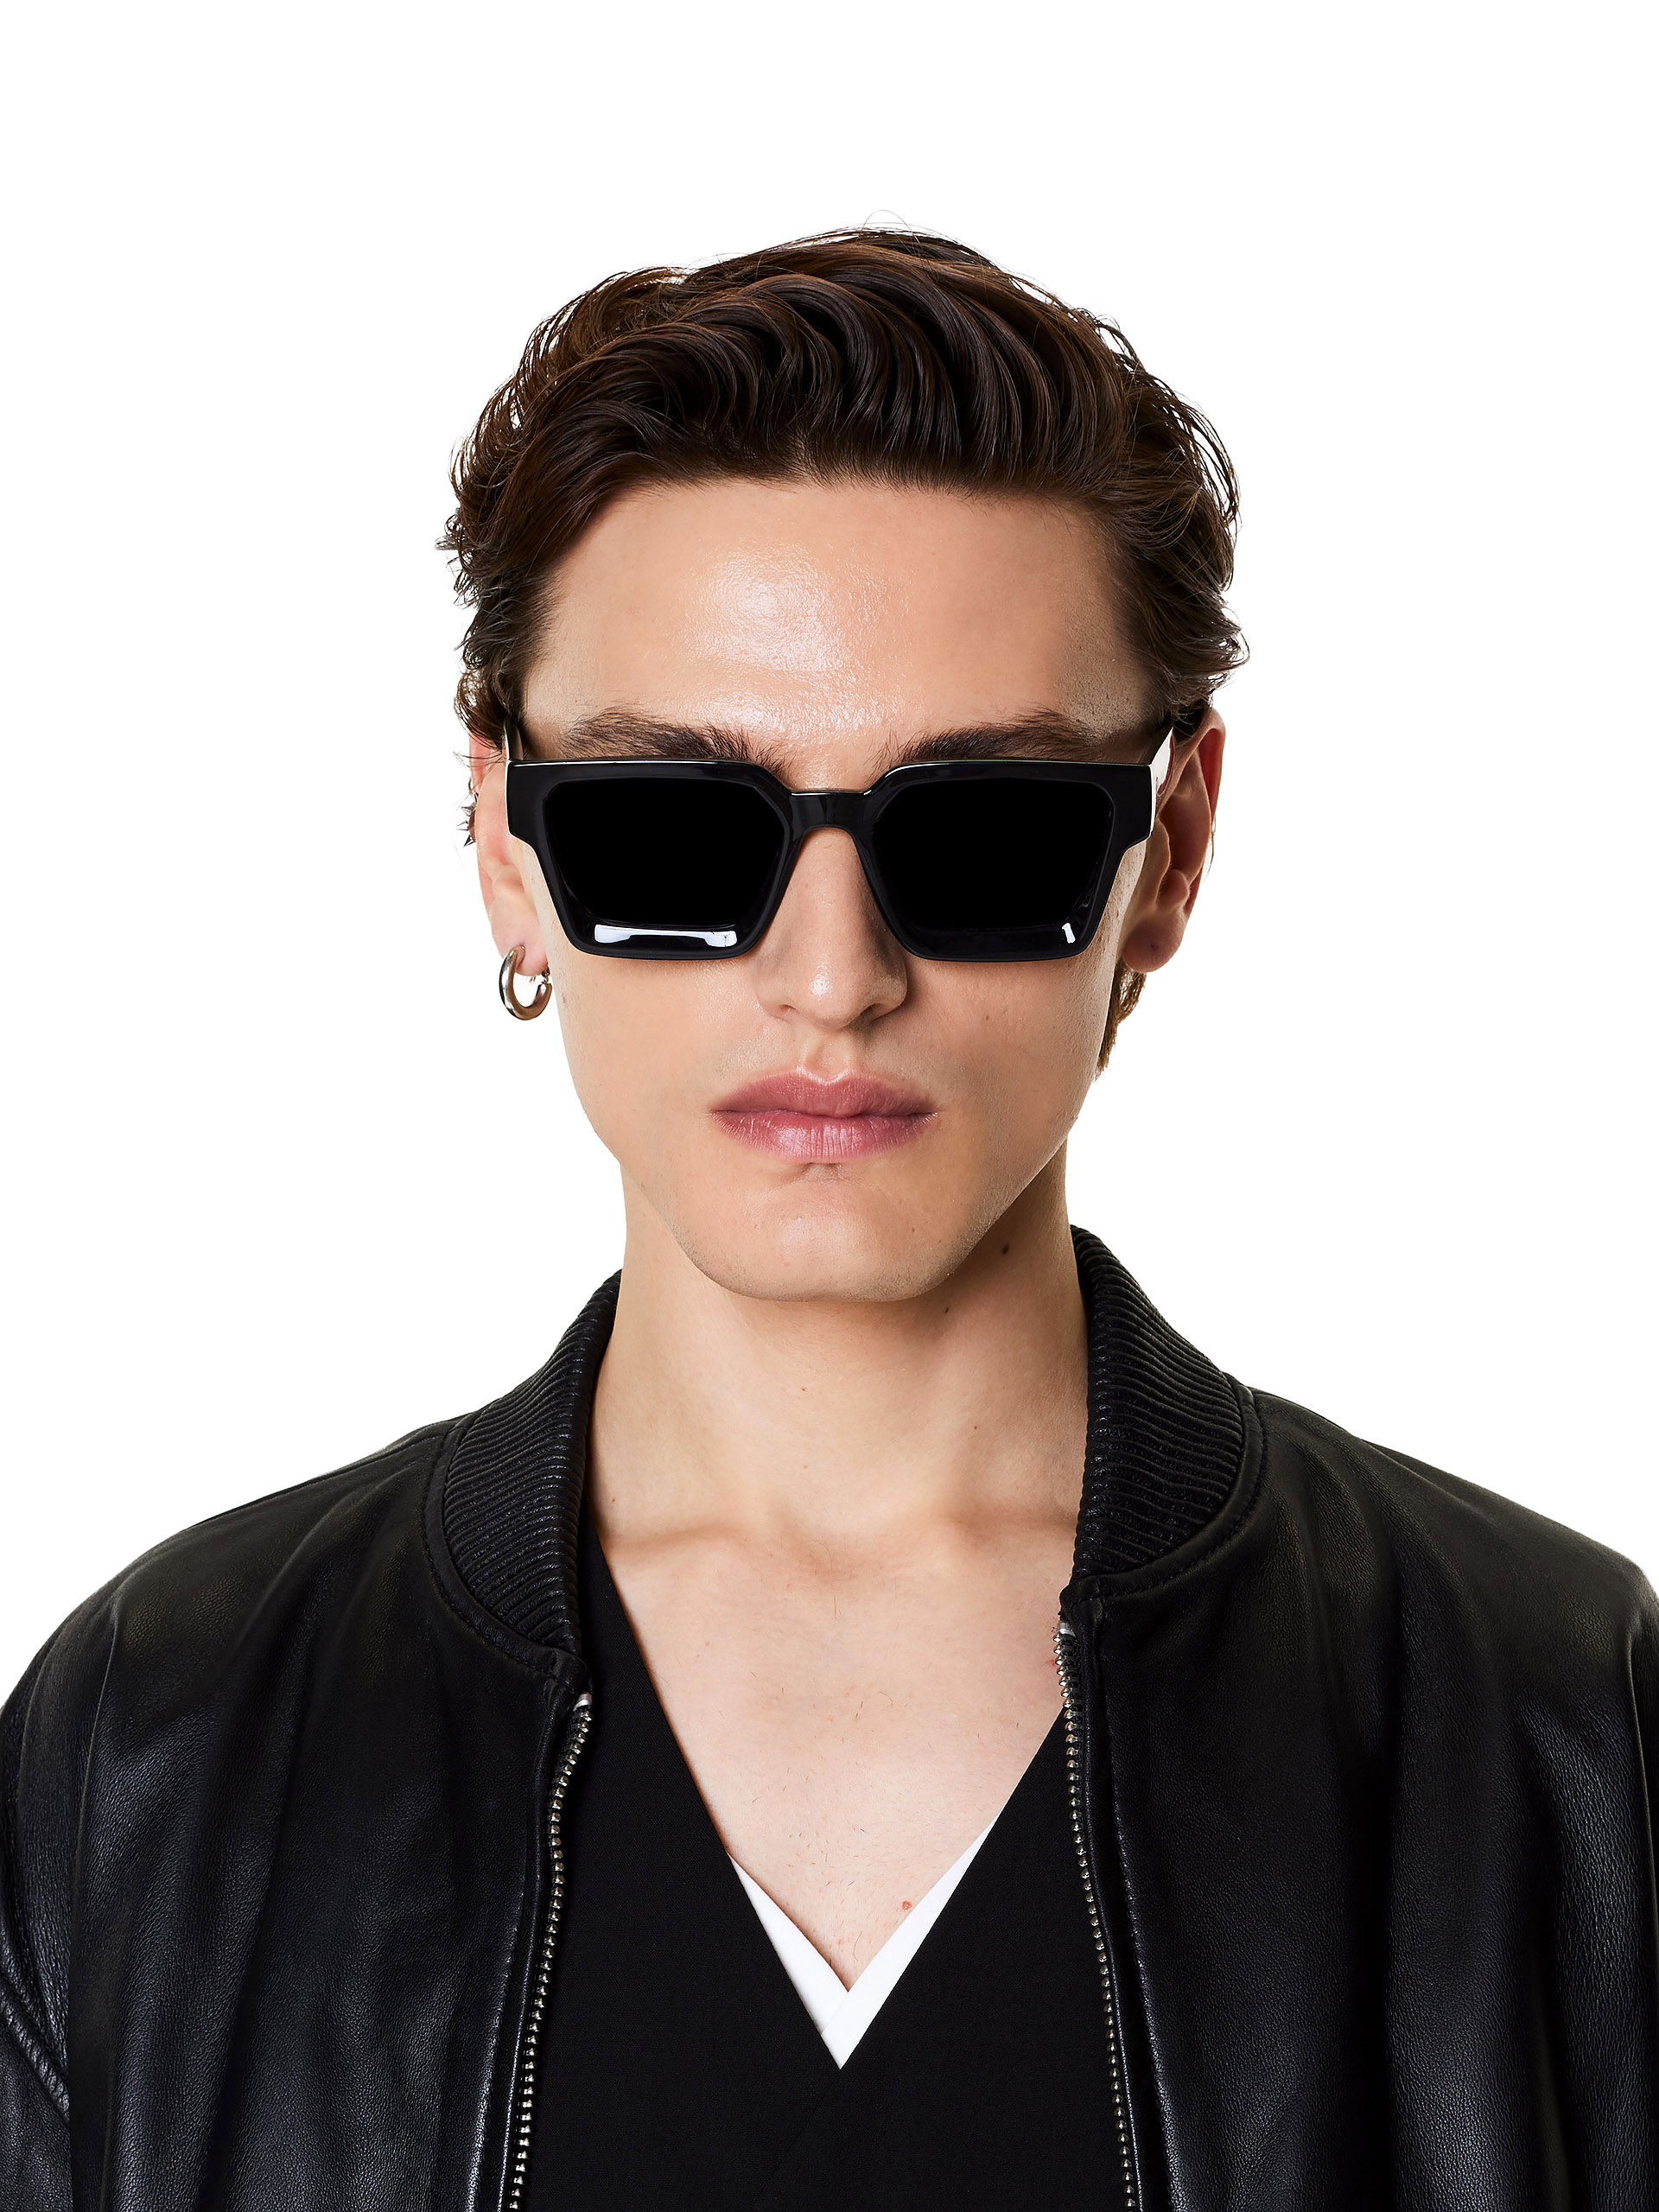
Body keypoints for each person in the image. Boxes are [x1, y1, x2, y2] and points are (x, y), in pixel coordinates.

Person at [3, 231, 1655, 2211]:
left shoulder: (1561, 1727)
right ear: (507, 842)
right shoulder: (152, 1742)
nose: (833, 974)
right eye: (670, 829)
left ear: (1174, 849)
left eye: (990, 829)